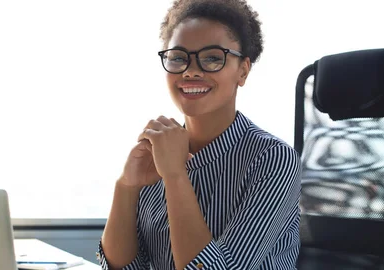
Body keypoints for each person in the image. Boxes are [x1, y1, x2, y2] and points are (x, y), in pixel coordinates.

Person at [96, 0, 302, 269]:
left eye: (212, 58)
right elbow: (122, 266)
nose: (191, 70)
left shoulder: (273, 158)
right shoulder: (158, 149)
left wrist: (175, 175)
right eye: (179, 57)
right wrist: (126, 186)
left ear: (243, 70)